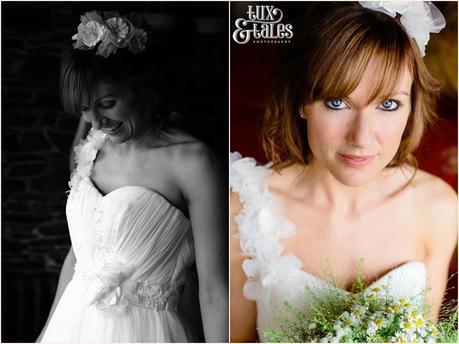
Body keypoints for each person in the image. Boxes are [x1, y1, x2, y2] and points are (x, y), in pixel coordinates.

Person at [230, 2, 457, 342]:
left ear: (411, 107)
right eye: (337, 102)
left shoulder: (438, 207)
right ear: (301, 102)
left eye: (388, 104)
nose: (361, 138)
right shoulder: (242, 211)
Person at [37, 10, 227, 343]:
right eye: (84, 109)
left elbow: (213, 288)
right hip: (71, 326)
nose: (96, 122)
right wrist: (46, 332)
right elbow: (79, 256)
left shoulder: (193, 163)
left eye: (108, 103)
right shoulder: (90, 150)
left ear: (141, 87)